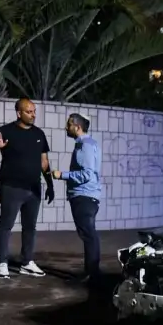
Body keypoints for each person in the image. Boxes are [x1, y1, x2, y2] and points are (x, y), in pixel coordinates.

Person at [0, 98, 54, 279]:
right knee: (6, 225)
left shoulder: (39, 133)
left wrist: (50, 184)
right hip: (12, 187)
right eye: (29, 112)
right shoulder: (5, 131)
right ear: (19, 113)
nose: (33, 115)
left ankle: (27, 262)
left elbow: (44, 162)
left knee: (30, 227)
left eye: (34, 111)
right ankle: (2, 263)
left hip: (34, 188)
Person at [51, 113, 101, 284]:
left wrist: (61, 175)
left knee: (88, 234)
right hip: (88, 196)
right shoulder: (89, 143)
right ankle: (92, 273)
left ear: (77, 127)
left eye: (69, 124)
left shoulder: (85, 145)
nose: (66, 127)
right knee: (89, 234)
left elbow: (87, 174)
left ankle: (92, 274)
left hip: (84, 195)